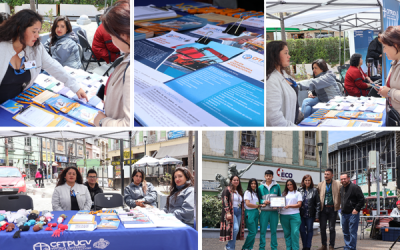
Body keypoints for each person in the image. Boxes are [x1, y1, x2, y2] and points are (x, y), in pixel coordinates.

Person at [0, 9, 87, 104]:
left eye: (38, 31)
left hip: (18, 102)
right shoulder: (2, 48)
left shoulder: (36, 48)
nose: (37, 36)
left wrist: (75, 87)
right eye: (34, 31)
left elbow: (54, 66)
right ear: (19, 29)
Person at [93, 0, 130, 127]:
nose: (111, 38)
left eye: (111, 35)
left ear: (123, 35)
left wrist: (102, 122)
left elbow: (127, 124)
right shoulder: (127, 56)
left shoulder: (130, 70)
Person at [266, 41, 298, 126]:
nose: (289, 56)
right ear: (275, 55)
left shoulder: (284, 74)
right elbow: (273, 117)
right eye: (285, 53)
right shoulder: (270, 81)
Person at [377, 26, 400, 115]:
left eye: (385, 47)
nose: (384, 51)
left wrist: (389, 92)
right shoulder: (394, 63)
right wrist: (385, 90)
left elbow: (391, 91)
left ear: (395, 45)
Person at [317, 168, 342, 250]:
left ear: (332, 175)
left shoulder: (338, 184)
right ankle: (324, 245)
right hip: (323, 209)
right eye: (325, 174)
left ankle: (331, 246)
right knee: (322, 228)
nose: (326, 176)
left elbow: (344, 191)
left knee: (332, 228)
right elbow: (316, 196)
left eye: (328, 174)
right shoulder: (320, 184)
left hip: (333, 209)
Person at [339, 173, 365, 250]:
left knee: (352, 232)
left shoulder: (355, 187)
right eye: (341, 179)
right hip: (344, 214)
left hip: (352, 214)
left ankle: (351, 247)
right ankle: (347, 247)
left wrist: (356, 209)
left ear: (349, 178)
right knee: (345, 232)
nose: (343, 180)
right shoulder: (341, 189)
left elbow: (362, 200)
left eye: (344, 178)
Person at [258, 170, 282, 250]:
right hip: (264, 212)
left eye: (270, 176)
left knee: (274, 231)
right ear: (264, 176)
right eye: (267, 176)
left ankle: (274, 247)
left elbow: (280, 198)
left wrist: (278, 204)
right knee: (262, 231)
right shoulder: (260, 187)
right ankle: (262, 247)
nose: (268, 177)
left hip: (274, 212)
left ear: (272, 176)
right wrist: (263, 201)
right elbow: (258, 199)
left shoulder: (277, 186)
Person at [220, 174, 245, 250]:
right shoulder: (227, 189)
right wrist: (228, 212)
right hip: (232, 211)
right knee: (235, 229)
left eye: (237, 180)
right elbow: (224, 201)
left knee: (236, 230)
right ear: (231, 181)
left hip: (239, 211)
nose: (236, 181)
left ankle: (231, 247)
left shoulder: (239, 191)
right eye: (234, 180)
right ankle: (229, 247)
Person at [298, 175, 321, 250]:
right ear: (303, 181)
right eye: (306, 180)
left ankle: (308, 247)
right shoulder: (299, 189)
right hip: (301, 214)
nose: (307, 182)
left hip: (310, 214)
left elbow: (318, 203)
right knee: (302, 230)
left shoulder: (314, 190)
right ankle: (304, 245)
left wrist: (317, 216)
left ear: (311, 181)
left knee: (310, 230)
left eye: (309, 180)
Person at [280, 179, 303, 250]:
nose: (289, 186)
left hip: (294, 215)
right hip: (284, 215)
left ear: (294, 184)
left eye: (291, 184)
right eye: (288, 185)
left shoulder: (298, 193)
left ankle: (295, 248)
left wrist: (289, 206)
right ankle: (288, 248)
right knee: (287, 233)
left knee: (295, 233)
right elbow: (280, 203)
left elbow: (299, 204)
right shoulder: (283, 194)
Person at [242, 178, 262, 250]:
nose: (253, 185)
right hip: (249, 212)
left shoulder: (255, 193)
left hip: (256, 212)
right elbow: (247, 204)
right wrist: (257, 206)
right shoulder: (247, 192)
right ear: (249, 184)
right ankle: (245, 247)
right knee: (252, 232)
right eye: (252, 183)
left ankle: (250, 247)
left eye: (255, 184)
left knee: (255, 231)